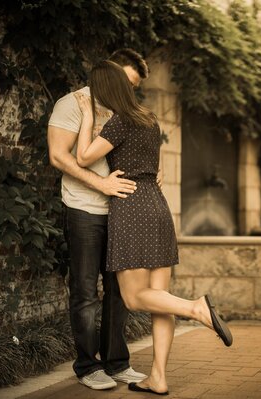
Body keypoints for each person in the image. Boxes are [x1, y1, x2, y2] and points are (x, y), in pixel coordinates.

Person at [74, 60, 233, 396]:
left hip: (131, 207)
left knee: (134, 298)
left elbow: (84, 157)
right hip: (157, 206)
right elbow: (153, 167)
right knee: (159, 300)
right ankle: (158, 377)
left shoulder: (119, 122)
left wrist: (88, 116)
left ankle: (195, 308)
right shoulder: (148, 118)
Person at [47, 49, 149, 390]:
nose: (129, 90)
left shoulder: (124, 110)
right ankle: (89, 366)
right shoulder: (72, 104)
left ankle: (117, 362)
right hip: (85, 210)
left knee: (120, 291)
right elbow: (59, 156)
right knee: (86, 292)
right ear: (109, 71)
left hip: (122, 213)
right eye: (126, 81)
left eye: (134, 86)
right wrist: (101, 183)